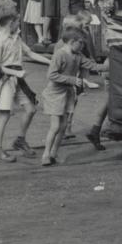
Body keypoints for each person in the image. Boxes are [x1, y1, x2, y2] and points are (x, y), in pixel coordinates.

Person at [0, 9, 51, 163]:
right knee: (5, 114)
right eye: (17, 21)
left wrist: (50, 61)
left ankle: (20, 140)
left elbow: (30, 53)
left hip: (18, 78)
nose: (19, 24)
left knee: (31, 109)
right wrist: (14, 73)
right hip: (5, 80)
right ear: (11, 23)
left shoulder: (16, 37)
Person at [40, 28, 107, 167]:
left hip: (67, 93)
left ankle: (54, 153)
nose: (83, 46)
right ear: (72, 42)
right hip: (55, 93)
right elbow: (51, 75)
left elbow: (93, 66)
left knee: (63, 126)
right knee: (55, 126)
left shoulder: (78, 55)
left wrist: (109, 65)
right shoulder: (60, 55)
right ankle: (45, 154)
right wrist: (72, 80)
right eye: (81, 43)